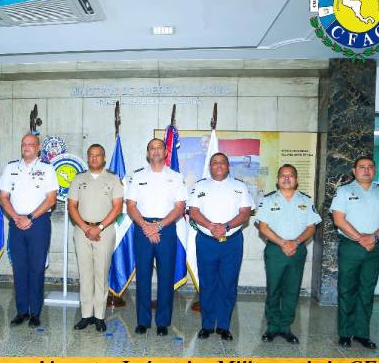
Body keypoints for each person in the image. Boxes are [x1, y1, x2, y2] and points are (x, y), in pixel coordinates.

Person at [331, 155, 379, 349]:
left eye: (370, 167)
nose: (366, 170)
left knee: (367, 291)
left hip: (374, 248)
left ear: (375, 170)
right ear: (354, 171)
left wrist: (374, 238)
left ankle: (362, 334)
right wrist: (362, 238)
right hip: (351, 246)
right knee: (347, 290)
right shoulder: (344, 191)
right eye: (362, 167)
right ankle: (345, 333)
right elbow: (338, 219)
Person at [188, 153, 254, 341]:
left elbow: (245, 213)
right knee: (207, 284)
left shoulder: (240, 186)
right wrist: (211, 226)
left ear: (228, 166)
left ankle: (224, 326)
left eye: (222, 162)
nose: (218, 165)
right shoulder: (200, 186)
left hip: (231, 242)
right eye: (215, 162)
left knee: (228, 283)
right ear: (210, 166)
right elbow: (193, 211)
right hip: (206, 241)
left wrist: (225, 227)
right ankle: (207, 325)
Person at [125, 138, 187, 336]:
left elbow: (180, 207)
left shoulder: (176, 177)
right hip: (142, 228)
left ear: (166, 152)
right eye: (152, 148)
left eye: (159, 147)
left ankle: (163, 322)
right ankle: (142, 321)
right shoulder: (137, 177)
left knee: (166, 276)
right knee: (142, 276)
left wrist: (158, 226)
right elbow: (130, 205)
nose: (156, 151)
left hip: (166, 229)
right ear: (147, 153)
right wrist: (146, 226)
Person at [255, 164, 321, 344]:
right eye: (283, 175)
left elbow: (311, 227)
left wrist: (295, 242)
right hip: (276, 250)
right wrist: (282, 243)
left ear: (296, 180)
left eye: (290, 175)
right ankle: (272, 326)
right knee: (274, 288)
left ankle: (285, 326)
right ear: (277, 180)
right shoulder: (268, 200)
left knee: (292, 289)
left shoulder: (306, 200)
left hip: (298, 249)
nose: (286, 178)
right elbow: (262, 227)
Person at [0, 134, 58, 328]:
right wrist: (16, 217)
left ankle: (35, 312)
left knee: (37, 268)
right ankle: (22, 311)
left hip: (38, 223)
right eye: (24, 144)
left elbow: (51, 199)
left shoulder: (47, 169)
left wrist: (30, 217)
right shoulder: (10, 168)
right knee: (19, 268)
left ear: (38, 148)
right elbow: (3, 197)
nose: (27, 147)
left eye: (31, 144)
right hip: (16, 223)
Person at [67, 144, 124, 332]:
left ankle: (99, 316)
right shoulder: (78, 179)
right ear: (88, 157)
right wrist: (86, 228)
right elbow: (71, 206)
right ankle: (86, 315)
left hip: (104, 230)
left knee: (101, 273)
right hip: (81, 230)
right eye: (91, 155)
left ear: (104, 158)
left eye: (98, 155)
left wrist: (98, 228)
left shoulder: (113, 179)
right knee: (85, 274)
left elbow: (117, 207)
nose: (94, 158)